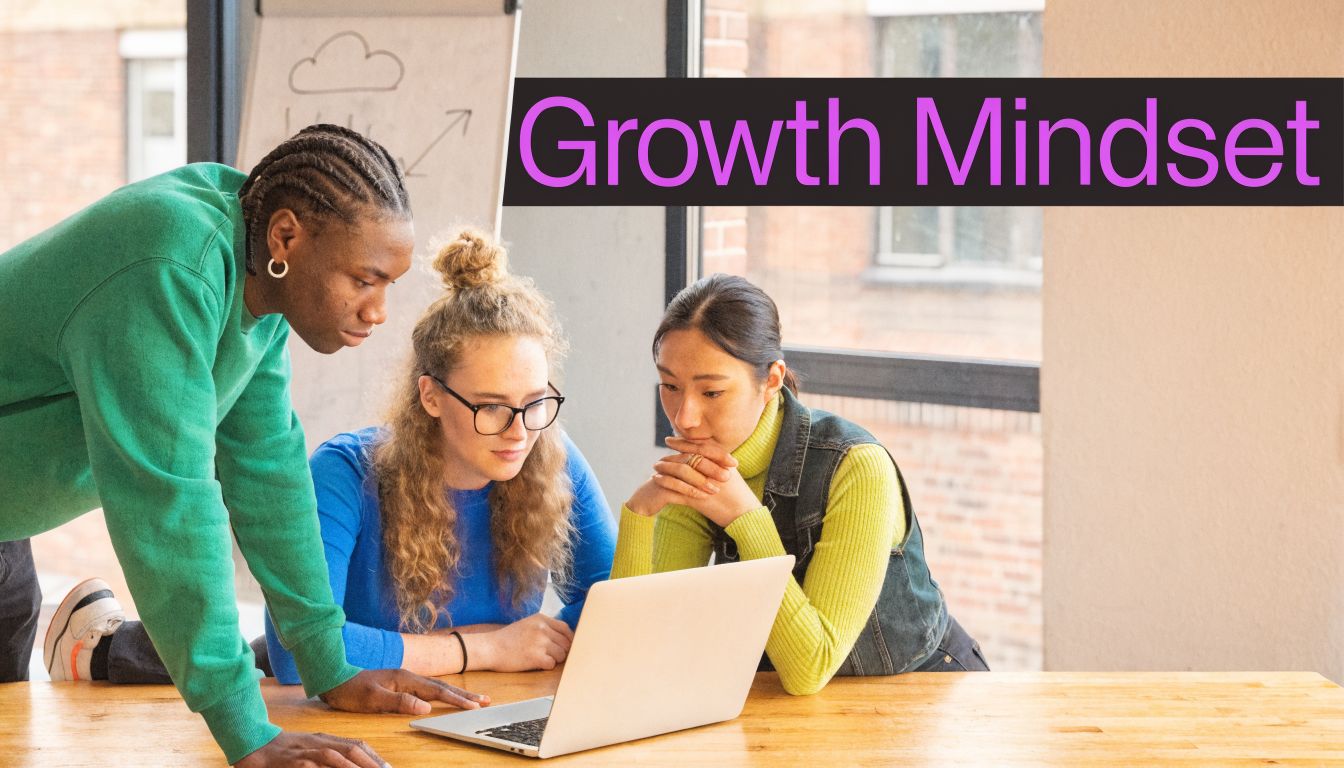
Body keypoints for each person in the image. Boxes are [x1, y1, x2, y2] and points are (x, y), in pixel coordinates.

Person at [0, 124, 487, 768]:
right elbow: (170, 505)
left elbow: (267, 472)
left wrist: (328, 663)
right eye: (364, 279)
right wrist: (244, 725)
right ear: (287, 236)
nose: (379, 311)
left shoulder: (252, 282)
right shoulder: (170, 266)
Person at [262, 228, 616, 681]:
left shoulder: (550, 454)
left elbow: (613, 602)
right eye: (490, 406)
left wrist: (530, 641)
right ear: (430, 396)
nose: (519, 431)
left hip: (493, 714)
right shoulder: (343, 475)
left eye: (534, 402)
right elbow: (298, 655)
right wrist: (484, 648)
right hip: (365, 732)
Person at [610, 273, 988, 696]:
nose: (684, 417)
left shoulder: (856, 466)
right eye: (670, 386)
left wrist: (746, 519)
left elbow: (811, 667)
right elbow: (635, 653)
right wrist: (639, 515)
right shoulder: (700, 466)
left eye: (712, 392)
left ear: (771, 380)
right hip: (794, 713)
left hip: (925, 700)